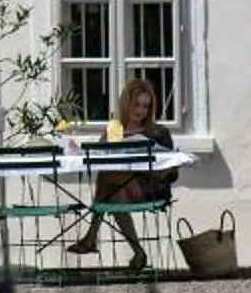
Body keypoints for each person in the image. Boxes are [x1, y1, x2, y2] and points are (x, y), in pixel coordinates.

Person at [68, 74, 176, 261]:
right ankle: (139, 253)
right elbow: (98, 156)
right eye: (136, 104)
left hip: (150, 187)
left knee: (107, 178)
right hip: (120, 189)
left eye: (145, 106)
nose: (140, 110)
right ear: (126, 103)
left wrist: (156, 166)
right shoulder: (114, 129)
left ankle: (91, 236)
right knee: (113, 195)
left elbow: (171, 170)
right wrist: (79, 151)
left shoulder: (158, 132)